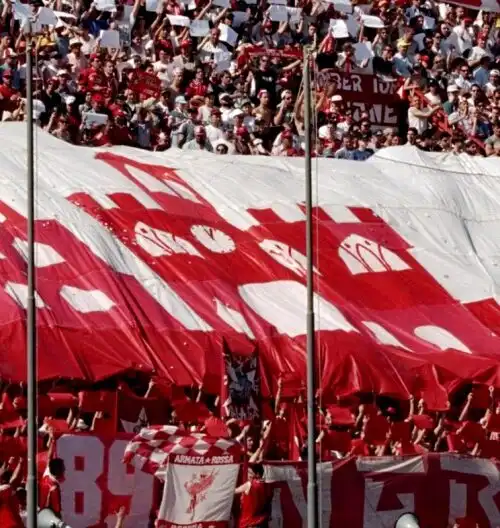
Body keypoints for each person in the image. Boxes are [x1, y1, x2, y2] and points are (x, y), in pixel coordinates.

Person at [235, 463, 272, 528]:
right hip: (261, 520)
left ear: (257, 474)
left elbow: (232, 491)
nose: (247, 474)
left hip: (250, 523)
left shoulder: (249, 484)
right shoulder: (266, 484)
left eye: (249, 472)